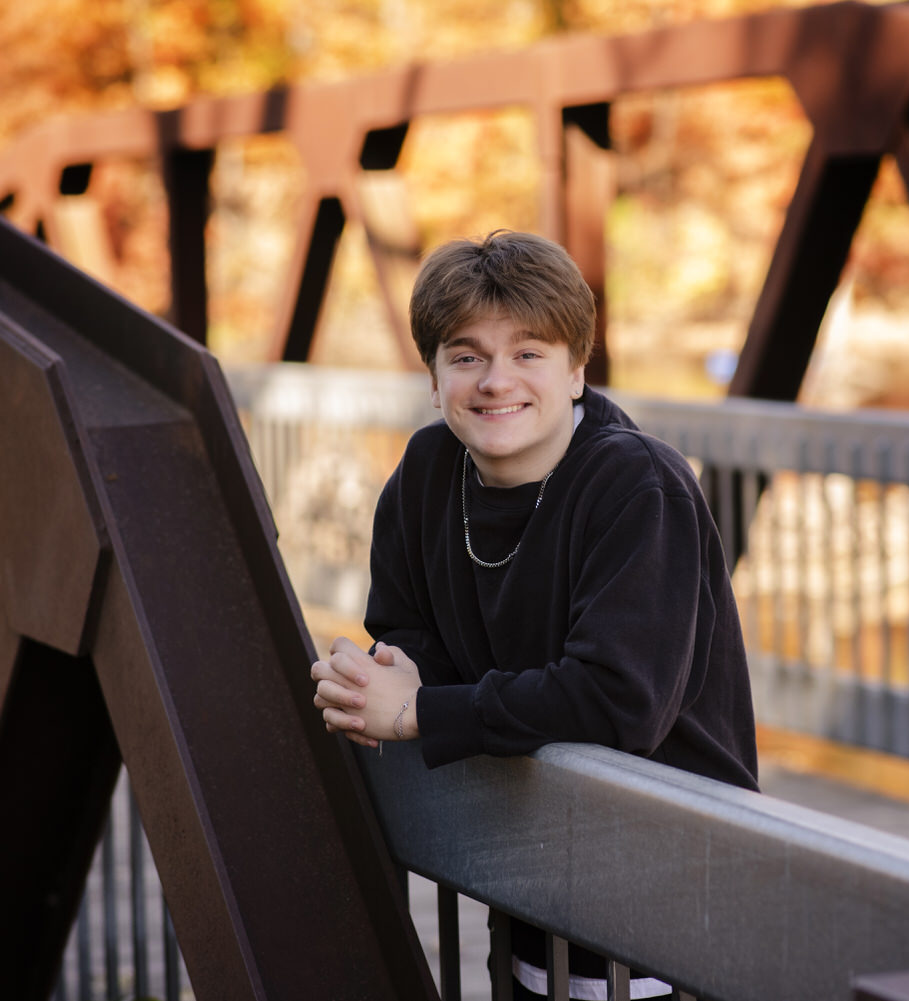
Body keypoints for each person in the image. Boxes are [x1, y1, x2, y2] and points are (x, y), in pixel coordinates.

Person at [311, 230, 757, 1000]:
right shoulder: (425, 476)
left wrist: (419, 710)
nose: (495, 381)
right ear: (433, 374)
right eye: (466, 355)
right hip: (535, 884)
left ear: (578, 368)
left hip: (669, 911)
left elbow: (620, 700)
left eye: (529, 352)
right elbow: (409, 626)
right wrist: (391, 671)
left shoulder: (638, 486)